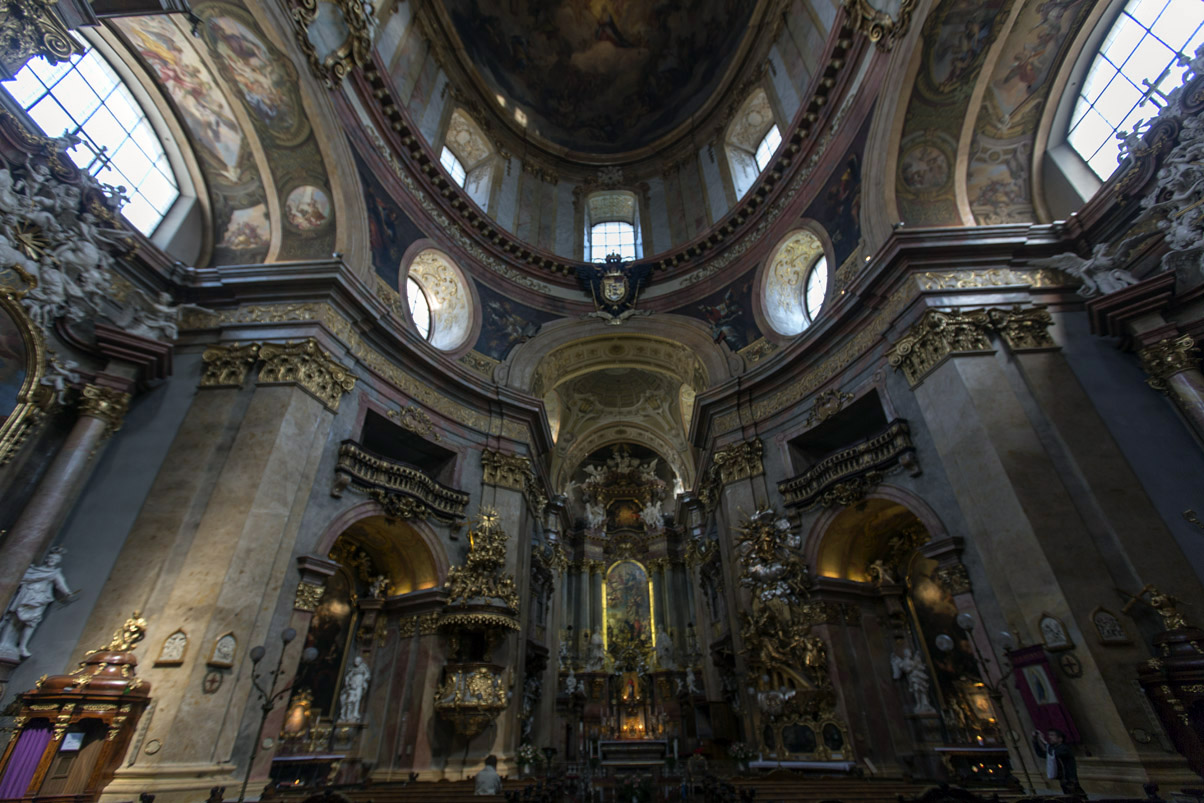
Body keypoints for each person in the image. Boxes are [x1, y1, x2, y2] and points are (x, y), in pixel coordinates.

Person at [1032, 728, 1081, 795]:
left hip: (1070, 779)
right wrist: (1035, 741)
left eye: (1052, 735)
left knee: (1077, 795)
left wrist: (1043, 741)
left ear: (1060, 739)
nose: (1049, 737)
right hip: (1063, 779)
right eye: (1049, 735)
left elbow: (1053, 754)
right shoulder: (1054, 748)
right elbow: (1041, 754)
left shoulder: (1064, 748)